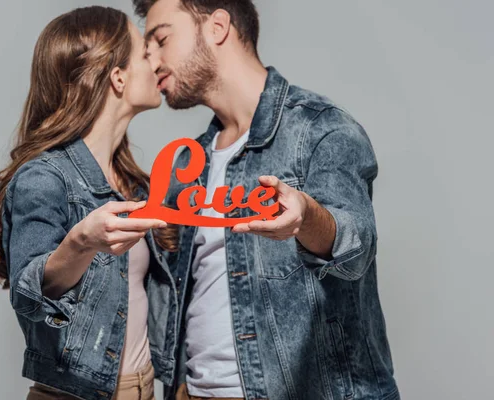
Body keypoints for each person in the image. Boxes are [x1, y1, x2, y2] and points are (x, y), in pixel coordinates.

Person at [132, 0, 400, 399]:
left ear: (217, 26)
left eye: (161, 39)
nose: (151, 59)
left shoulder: (319, 128)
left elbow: (355, 242)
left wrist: (306, 217)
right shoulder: (187, 165)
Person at [0, 6, 181, 399]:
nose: (156, 61)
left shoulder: (134, 185)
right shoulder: (45, 177)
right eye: (143, 52)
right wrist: (81, 242)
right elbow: (29, 291)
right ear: (118, 77)